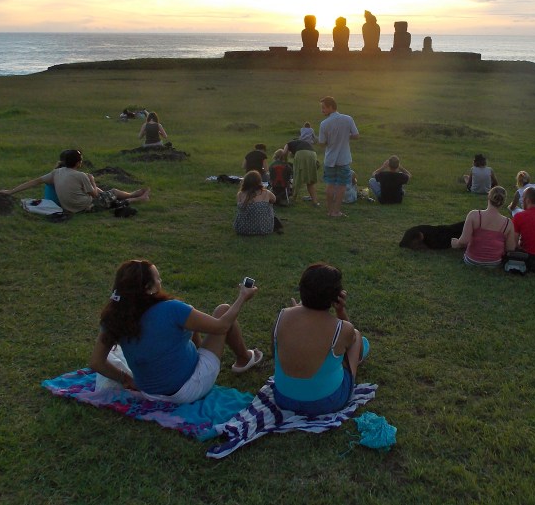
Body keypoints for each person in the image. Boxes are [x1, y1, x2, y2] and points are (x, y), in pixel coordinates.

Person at [89, 259, 262, 403]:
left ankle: (208, 355)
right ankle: (244, 358)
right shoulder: (170, 309)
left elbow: (96, 362)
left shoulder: (114, 317)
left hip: (150, 394)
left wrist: (126, 379)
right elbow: (222, 326)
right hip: (187, 389)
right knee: (223, 310)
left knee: (189, 319)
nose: (161, 282)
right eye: (158, 279)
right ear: (148, 287)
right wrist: (242, 297)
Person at [272, 263, 368, 417]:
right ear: (336, 296)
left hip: (283, 398)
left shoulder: (282, 315)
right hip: (326, 403)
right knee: (355, 335)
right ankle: (352, 373)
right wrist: (340, 311)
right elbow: (352, 341)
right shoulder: (341, 327)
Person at [0, 149, 150, 213]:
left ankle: (134, 196)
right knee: (113, 193)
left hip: (68, 206)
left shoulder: (57, 172)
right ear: (78, 163)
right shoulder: (81, 175)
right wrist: (93, 180)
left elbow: (34, 182)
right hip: (84, 206)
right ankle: (135, 197)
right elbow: (95, 195)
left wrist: (10, 191)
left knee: (107, 195)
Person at [451, 186, 518, 266]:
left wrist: (455, 243)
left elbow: (464, 241)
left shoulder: (474, 215)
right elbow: (510, 248)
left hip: (471, 260)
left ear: (488, 197)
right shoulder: (508, 223)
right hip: (494, 263)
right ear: (503, 202)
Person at [317, 96, 359, 217]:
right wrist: (346, 136)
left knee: (330, 184)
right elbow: (356, 135)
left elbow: (321, 143)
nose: (322, 110)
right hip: (343, 159)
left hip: (330, 159)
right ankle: (336, 211)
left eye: (324, 108)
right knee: (341, 186)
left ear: (331, 107)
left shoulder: (324, 123)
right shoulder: (348, 119)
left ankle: (330, 211)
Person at [233, 171, 279, 235]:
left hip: (242, 229)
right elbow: (274, 200)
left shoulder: (240, 194)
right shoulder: (266, 193)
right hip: (264, 229)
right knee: (269, 204)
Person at [283, 137, 320, 206]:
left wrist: (285, 162)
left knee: (297, 176)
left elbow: (284, 152)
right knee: (310, 179)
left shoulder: (288, 143)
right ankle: (315, 202)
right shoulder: (304, 143)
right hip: (313, 154)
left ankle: (293, 198)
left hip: (301, 154)